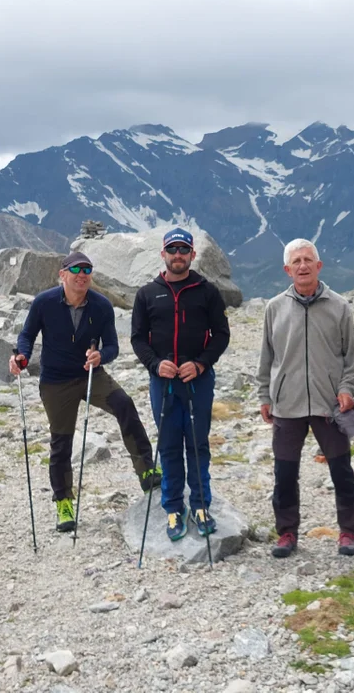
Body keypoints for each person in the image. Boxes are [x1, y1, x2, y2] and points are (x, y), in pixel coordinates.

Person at [10, 251, 161, 533]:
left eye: (88, 270)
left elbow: (113, 346)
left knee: (124, 404)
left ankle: (147, 470)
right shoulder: (44, 302)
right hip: (56, 381)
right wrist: (22, 356)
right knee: (61, 441)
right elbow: (27, 335)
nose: (83, 274)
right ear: (62, 274)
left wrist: (100, 357)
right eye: (76, 269)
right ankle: (64, 503)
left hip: (91, 374)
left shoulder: (101, 306)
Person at [257, 238, 354, 559]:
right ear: (287, 270)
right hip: (286, 404)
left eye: (308, 260)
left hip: (330, 404)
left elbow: (352, 357)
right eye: (296, 262)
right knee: (285, 472)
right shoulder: (274, 308)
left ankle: (348, 533)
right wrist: (264, 394)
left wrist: (347, 389)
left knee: (341, 470)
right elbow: (266, 357)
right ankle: (287, 532)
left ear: (319, 266)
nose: (302, 266)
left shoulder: (339, 306)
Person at [131, 227, 230, 541]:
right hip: (163, 381)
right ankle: (173, 506)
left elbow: (222, 335)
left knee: (198, 443)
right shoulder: (147, 293)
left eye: (183, 250)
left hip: (197, 380)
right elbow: (137, 338)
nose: (177, 255)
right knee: (169, 444)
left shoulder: (207, 291)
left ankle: (201, 505)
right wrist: (155, 363)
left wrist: (201, 363)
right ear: (163, 254)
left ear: (192, 255)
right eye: (172, 250)